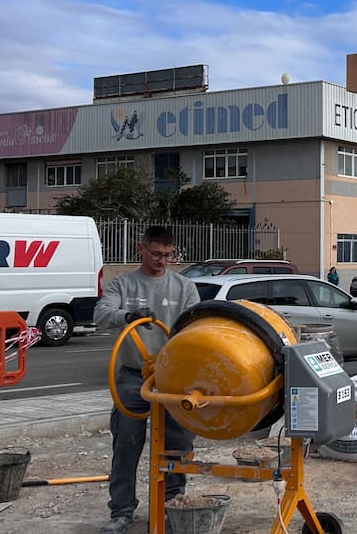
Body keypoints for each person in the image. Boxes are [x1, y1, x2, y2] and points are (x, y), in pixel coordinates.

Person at [94, 226, 201, 534]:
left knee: (176, 444)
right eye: (156, 254)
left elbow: (193, 328)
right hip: (132, 377)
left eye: (168, 255)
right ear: (141, 250)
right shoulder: (123, 284)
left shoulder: (184, 288)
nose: (162, 261)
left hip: (172, 379)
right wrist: (127, 316)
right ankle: (122, 512)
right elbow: (102, 313)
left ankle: (172, 504)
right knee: (126, 445)